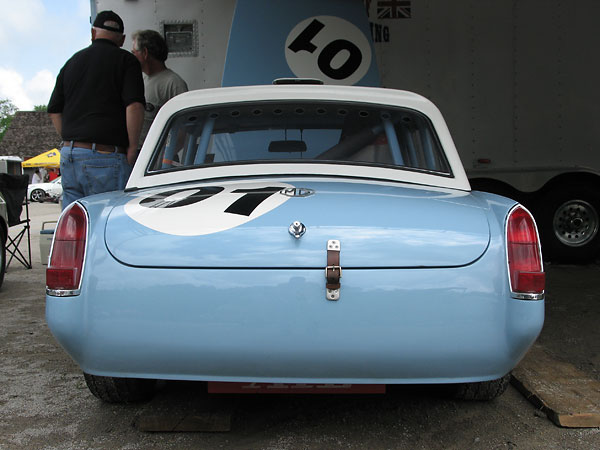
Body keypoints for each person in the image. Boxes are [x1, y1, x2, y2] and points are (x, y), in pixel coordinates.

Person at [47, 10, 145, 209]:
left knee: (77, 227)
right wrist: (132, 148)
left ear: (93, 33)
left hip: (70, 156)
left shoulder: (72, 62)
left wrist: (70, 140)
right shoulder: (126, 61)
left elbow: (54, 110)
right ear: (122, 39)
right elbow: (134, 105)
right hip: (106, 156)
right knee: (108, 223)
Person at [131, 29, 188, 146]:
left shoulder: (173, 83)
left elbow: (183, 129)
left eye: (134, 53)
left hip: (158, 160)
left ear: (145, 53)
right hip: (139, 154)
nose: (132, 57)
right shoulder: (142, 79)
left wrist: (164, 158)